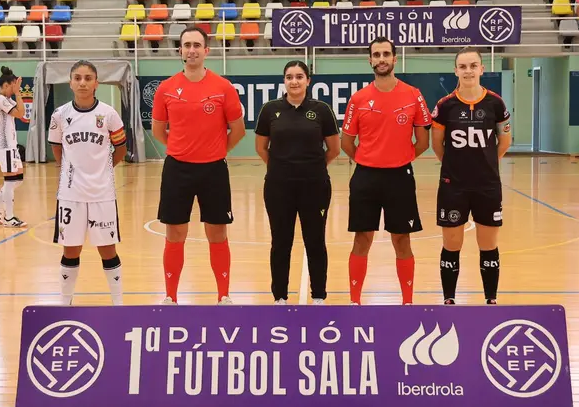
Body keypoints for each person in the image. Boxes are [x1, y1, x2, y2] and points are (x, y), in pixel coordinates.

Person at [152, 26, 246, 305]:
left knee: (217, 232)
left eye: (197, 45)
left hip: (213, 170)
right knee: (175, 232)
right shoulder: (166, 88)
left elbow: (237, 130)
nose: (191, 50)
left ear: (207, 50)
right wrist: (181, 150)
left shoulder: (223, 87)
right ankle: (170, 296)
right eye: (186, 45)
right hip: (177, 169)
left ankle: (224, 295)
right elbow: (159, 131)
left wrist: (216, 151)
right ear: (180, 50)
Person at [341, 37, 432, 306]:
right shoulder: (358, 99)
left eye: (386, 54)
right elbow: (347, 142)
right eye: (376, 54)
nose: (381, 59)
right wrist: (371, 160)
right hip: (366, 178)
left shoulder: (413, 94)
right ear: (370, 60)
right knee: (362, 239)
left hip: (400, 178)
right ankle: (355, 302)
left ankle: (407, 303)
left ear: (394, 58)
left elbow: (424, 142)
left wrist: (399, 159)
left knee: (402, 240)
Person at [430, 47, 512, 306]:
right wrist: (458, 167)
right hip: (454, 186)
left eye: (473, 66)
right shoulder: (445, 106)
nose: (468, 71)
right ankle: (449, 299)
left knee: (488, 244)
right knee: (452, 243)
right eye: (463, 66)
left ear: (481, 69)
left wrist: (485, 163)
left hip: (487, 185)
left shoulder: (495, 103)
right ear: (455, 70)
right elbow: (437, 145)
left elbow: (504, 140)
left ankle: (491, 299)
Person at [255, 61, 341, 305]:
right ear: (284, 80)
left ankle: (319, 296)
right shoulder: (270, 110)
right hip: (278, 187)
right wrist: (282, 167)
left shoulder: (322, 110)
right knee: (281, 242)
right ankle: (280, 296)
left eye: (299, 76)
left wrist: (312, 168)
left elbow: (333, 149)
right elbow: (261, 148)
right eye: (289, 77)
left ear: (308, 80)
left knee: (315, 241)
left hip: (315, 187)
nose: (294, 81)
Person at [48, 60, 127, 306]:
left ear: (96, 83)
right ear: (70, 82)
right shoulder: (60, 115)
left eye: (88, 78)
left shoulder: (109, 114)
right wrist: (71, 173)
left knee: (107, 248)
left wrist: (101, 170)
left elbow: (121, 148)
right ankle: (65, 302)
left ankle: (118, 303)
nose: (83, 82)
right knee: (70, 249)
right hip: (70, 194)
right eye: (78, 78)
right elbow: (57, 148)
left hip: (102, 193)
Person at [0, 66, 28, 228]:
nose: (15, 89)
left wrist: (17, 94)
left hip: (11, 145)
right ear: (6, 85)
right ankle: (9, 217)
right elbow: (18, 114)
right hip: (4, 145)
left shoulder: (7, 99)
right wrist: (17, 93)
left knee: (18, 180)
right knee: (10, 181)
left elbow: (22, 113)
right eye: (13, 86)